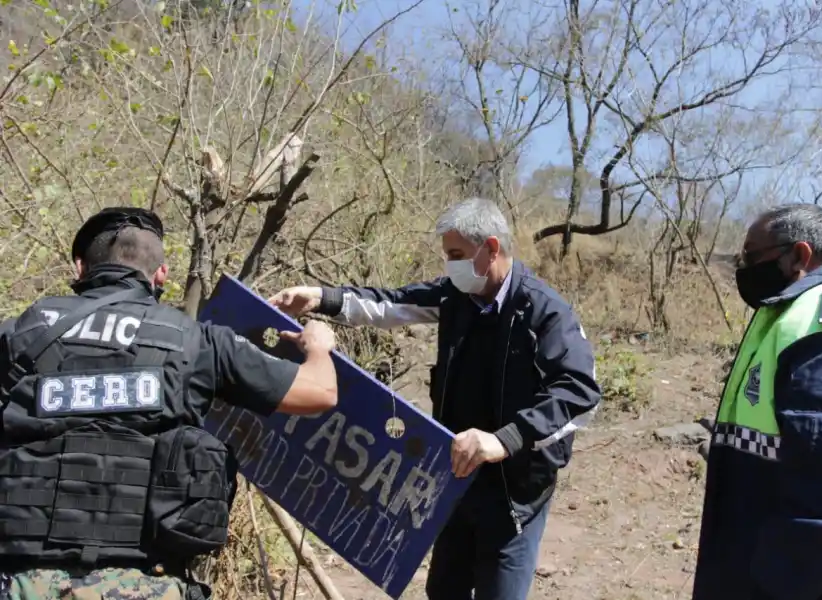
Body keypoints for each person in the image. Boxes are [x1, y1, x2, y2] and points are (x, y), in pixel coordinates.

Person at [269, 197, 602, 600]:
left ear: (491, 249)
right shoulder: (455, 297)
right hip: (456, 480)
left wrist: (505, 439)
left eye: (456, 255)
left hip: (515, 495)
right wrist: (321, 298)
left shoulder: (544, 312)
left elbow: (579, 392)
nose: (449, 265)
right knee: (444, 591)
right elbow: (391, 304)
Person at [0, 207, 340, 600]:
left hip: (21, 580)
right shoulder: (196, 340)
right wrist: (318, 347)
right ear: (161, 274)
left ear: (80, 267)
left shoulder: (19, 333)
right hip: (146, 582)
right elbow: (320, 393)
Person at [692, 203, 822, 600]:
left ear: (800, 255)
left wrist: (780, 584)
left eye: (752, 256)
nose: (743, 268)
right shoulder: (792, 313)